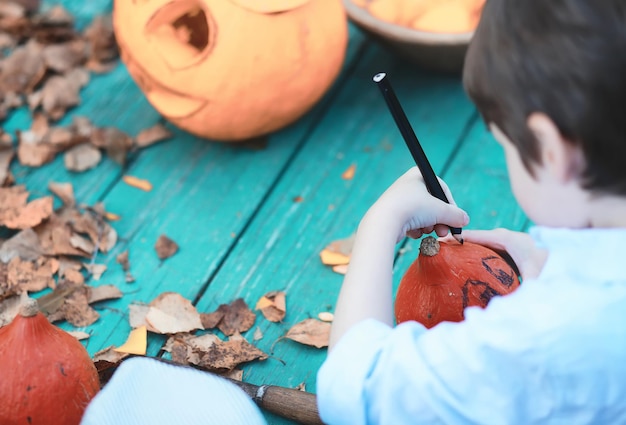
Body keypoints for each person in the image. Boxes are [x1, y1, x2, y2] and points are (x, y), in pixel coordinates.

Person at [316, 0, 626, 424]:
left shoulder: (542, 340)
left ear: (552, 152)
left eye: (506, 146)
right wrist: (554, 265)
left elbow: (355, 388)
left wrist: (379, 224)